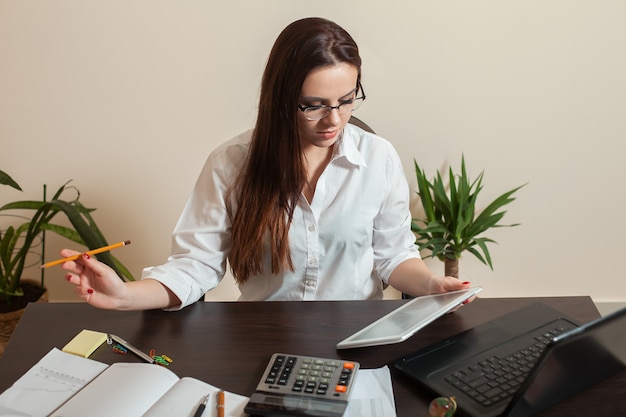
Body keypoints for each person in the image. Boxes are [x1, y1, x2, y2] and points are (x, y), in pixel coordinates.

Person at [62, 17, 471, 311]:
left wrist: (432, 283)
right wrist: (125, 295)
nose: (334, 120)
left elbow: (393, 255)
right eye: (313, 106)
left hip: (357, 334)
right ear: (280, 99)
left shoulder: (378, 157)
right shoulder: (230, 164)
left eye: (346, 101)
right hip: (260, 337)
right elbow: (196, 264)